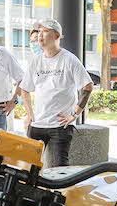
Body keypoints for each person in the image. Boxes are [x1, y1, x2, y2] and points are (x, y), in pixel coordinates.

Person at [20, 18, 94, 167]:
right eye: (39, 31)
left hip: (59, 128)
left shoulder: (69, 59)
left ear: (56, 36)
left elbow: (87, 87)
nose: (40, 35)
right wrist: (29, 114)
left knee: (58, 171)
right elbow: (24, 89)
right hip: (36, 126)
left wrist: (74, 115)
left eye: (45, 31)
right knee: (27, 169)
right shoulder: (36, 61)